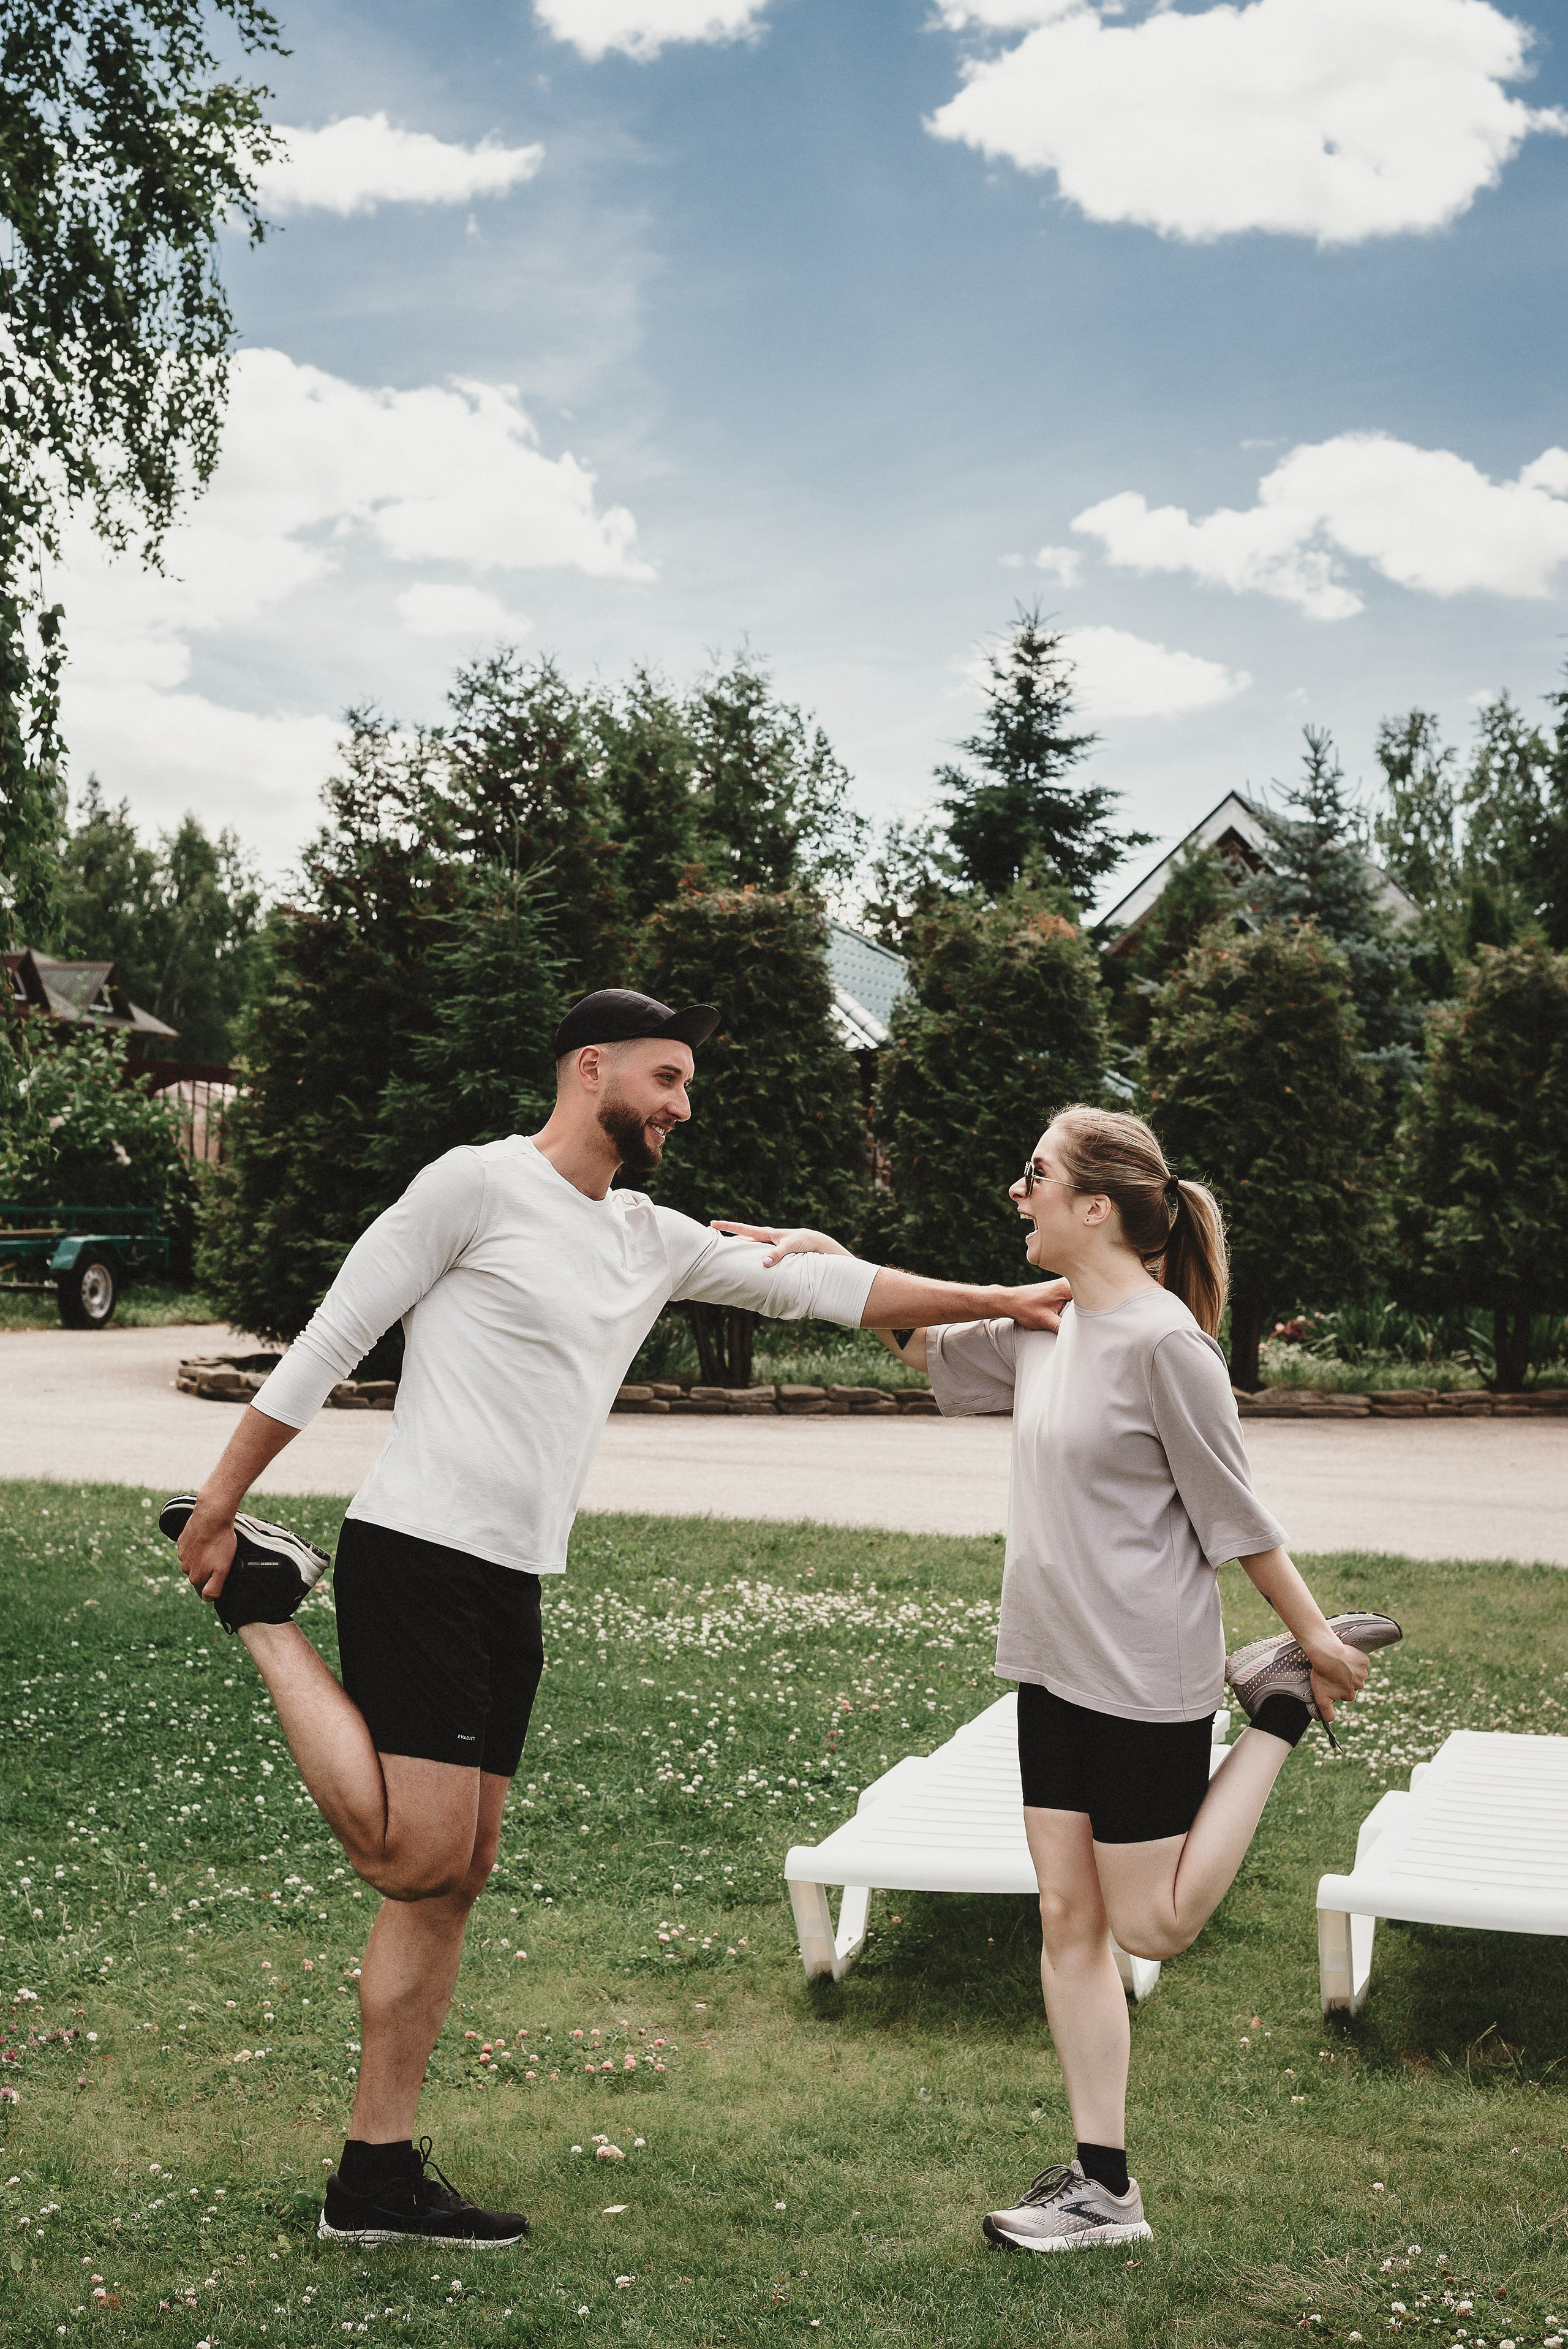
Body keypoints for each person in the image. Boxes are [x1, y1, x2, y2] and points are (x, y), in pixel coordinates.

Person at [164, 987, 1072, 2250]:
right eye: (662, 1080)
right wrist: (221, 1504)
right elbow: (330, 1339)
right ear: (588, 1068)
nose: (679, 1108)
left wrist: (1002, 1299)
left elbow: (825, 1291)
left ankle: (372, 2179)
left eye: (686, 1085)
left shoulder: (646, 1236)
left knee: (455, 1878)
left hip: (512, 1579)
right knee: (411, 1857)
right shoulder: (471, 1188)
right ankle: (266, 1612)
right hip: (418, 1549)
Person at [719, 1103, 1400, 2255]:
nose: (1017, 1193)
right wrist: (834, 1265)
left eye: (1034, 1176)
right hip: (1051, 1666)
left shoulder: (1167, 1344)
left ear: (1098, 1204)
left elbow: (1238, 1521)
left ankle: (1275, 1708)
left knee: (1156, 1922)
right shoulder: (1048, 1324)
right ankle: (1103, 2187)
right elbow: (924, 1346)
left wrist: (1314, 1639)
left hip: (1142, 1675)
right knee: (1067, 1916)